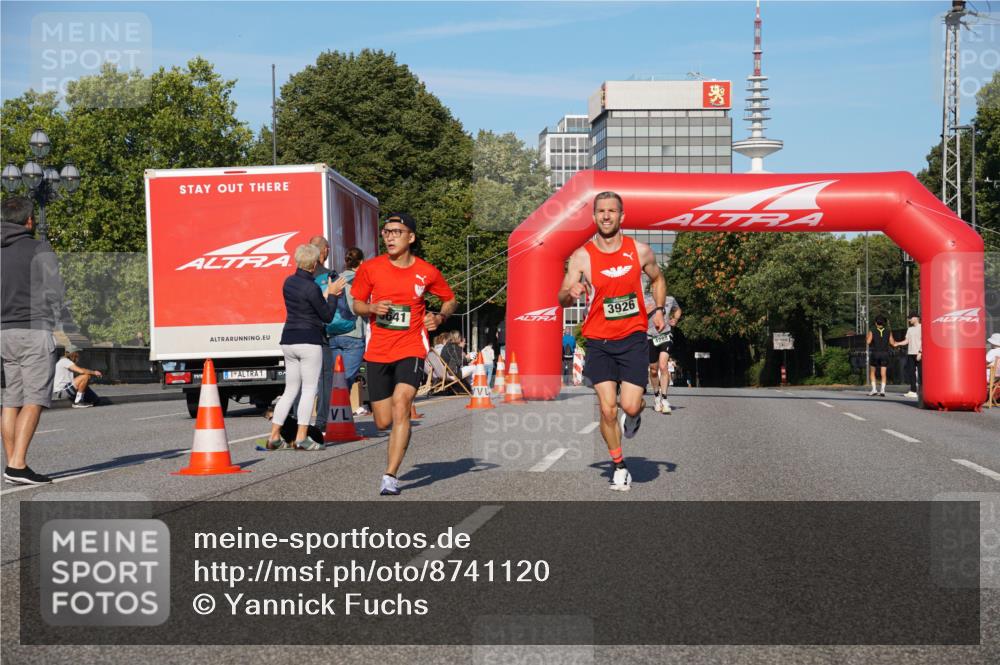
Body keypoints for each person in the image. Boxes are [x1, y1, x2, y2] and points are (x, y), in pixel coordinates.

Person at [557, 191, 666, 492]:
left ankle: (634, 419)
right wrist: (572, 291)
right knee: (607, 409)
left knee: (630, 407)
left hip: (632, 338)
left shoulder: (640, 251)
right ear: (594, 217)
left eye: (612, 211)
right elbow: (562, 296)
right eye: (601, 211)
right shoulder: (582, 256)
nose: (606, 216)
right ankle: (619, 466)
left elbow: (657, 279)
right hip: (599, 340)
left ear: (622, 216)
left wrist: (657, 309)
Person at [351, 213, 457, 496]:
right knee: (382, 420)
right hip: (378, 350)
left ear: (411, 237)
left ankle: (390, 475)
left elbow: (449, 299)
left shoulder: (426, 271)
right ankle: (394, 448)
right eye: (386, 232)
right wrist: (371, 309)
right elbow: (356, 304)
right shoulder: (370, 269)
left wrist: (439, 317)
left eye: (397, 231)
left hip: (411, 346)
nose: (389, 236)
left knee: (402, 402)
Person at [1, 196, 65, 485]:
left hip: (4, 333)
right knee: (35, 398)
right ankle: (18, 465)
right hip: (34, 330)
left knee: (11, 399)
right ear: (29, 220)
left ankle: (12, 463)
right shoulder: (39, 247)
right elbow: (55, 290)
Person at [264, 243, 339, 451]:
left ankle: (274, 436)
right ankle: (301, 437)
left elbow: (305, 305)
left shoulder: (289, 282)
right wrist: (332, 294)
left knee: (290, 390)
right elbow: (326, 316)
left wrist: (323, 297)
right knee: (308, 390)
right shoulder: (312, 286)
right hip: (309, 340)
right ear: (315, 263)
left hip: (289, 339)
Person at [291, 236, 347, 434]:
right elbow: (330, 312)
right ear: (324, 252)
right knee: (324, 377)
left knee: (299, 382)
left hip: (293, 337)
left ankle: (294, 421)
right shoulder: (329, 275)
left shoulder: (292, 280)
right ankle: (321, 422)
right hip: (319, 334)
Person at [330, 247, 368, 416]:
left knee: (336, 377)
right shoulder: (360, 279)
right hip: (353, 333)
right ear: (361, 262)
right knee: (346, 379)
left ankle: (335, 414)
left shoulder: (336, 279)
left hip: (333, 333)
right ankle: (336, 416)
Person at [644, 291, 682, 414]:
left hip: (665, 335)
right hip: (650, 336)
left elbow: (677, 310)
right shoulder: (645, 299)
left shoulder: (670, 299)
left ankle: (665, 399)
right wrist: (644, 312)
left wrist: (675, 319)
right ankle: (656, 397)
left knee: (663, 366)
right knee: (653, 369)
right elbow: (633, 318)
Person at [891, 313, 921, 398]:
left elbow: (924, 340)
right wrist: (898, 343)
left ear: (916, 318)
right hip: (911, 353)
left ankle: (923, 391)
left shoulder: (922, 327)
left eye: (910, 318)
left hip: (919, 353)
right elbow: (907, 341)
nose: (909, 320)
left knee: (921, 373)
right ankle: (913, 391)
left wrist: (920, 352)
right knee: (911, 372)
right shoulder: (910, 329)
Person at [866, 315, 896, 397]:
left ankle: (874, 390)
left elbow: (868, 342)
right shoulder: (888, 331)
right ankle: (882, 390)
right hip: (885, 353)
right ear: (884, 323)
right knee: (883, 373)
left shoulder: (872, 330)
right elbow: (892, 343)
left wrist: (867, 337)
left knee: (872, 372)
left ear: (876, 322)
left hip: (875, 353)